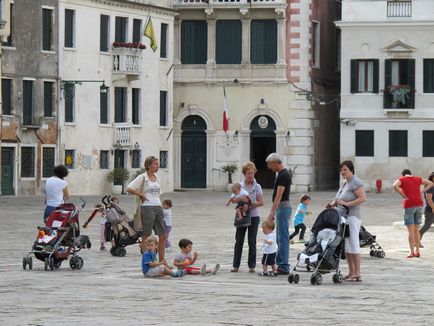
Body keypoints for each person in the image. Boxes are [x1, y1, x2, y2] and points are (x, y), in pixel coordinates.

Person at [327, 160, 366, 282]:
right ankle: (351, 272)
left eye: (345, 170)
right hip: (343, 217)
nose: (342, 172)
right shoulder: (344, 183)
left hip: (353, 217)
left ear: (351, 170)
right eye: (341, 170)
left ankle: (358, 273)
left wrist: (347, 204)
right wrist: (332, 204)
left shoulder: (356, 182)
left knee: (354, 244)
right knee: (347, 246)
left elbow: (362, 198)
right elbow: (338, 198)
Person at [127, 156, 166, 260]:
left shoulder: (157, 177)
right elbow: (129, 188)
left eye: (158, 164)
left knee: (163, 235)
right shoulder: (143, 177)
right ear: (149, 165)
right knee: (146, 235)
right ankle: (147, 261)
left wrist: (161, 205)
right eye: (155, 164)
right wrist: (141, 195)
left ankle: (162, 260)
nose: (157, 166)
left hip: (158, 206)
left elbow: (158, 193)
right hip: (147, 208)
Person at [231, 161, 264, 273]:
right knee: (239, 241)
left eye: (252, 173)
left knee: (252, 241)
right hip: (242, 216)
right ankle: (236, 265)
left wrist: (251, 203)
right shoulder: (239, 186)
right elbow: (233, 200)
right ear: (244, 174)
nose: (250, 175)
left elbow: (261, 202)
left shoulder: (257, 186)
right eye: (248, 173)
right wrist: (241, 199)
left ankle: (252, 266)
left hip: (254, 216)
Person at [393, 169, 433, 258]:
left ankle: (411, 252)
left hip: (408, 206)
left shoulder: (402, 179)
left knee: (410, 231)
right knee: (416, 230)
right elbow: (431, 183)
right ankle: (417, 251)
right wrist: (423, 191)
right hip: (419, 205)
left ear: (403, 175)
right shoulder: (417, 178)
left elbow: (394, 185)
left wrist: (402, 194)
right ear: (411, 174)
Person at [265, 153, 292, 275]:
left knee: (283, 238)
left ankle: (284, 266)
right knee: (280, 237)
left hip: (283, 207)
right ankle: (281, 264)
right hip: (282, 208)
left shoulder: (283, 175)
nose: (269, 167)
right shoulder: (282, 174)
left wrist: (271, 213)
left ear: (276, 162)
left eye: (270, 164)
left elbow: (279, 196)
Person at [420, 172, 434, 246]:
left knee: (426, 226)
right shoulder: (430, 187)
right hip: (430, 210)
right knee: (426, 226)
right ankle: (416, 240)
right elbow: (429, 199)